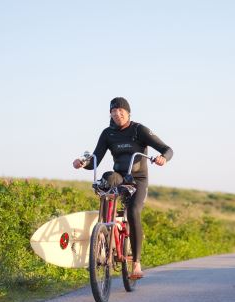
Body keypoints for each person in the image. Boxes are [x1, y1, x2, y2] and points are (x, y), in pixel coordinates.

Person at [72, 97, 173, 279]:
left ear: (128, 113)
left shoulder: (138, 130)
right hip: (120, 176)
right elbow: (95, 159)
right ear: (110, 114)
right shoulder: (108, 133)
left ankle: (136, 263)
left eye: (121, 111)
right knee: (106, 179)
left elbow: (167, 149)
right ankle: (103, 232)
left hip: (138, 179)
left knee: (133, 211)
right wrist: (82, 162)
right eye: (114, 111)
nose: (117, 114)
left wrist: (163, 158)